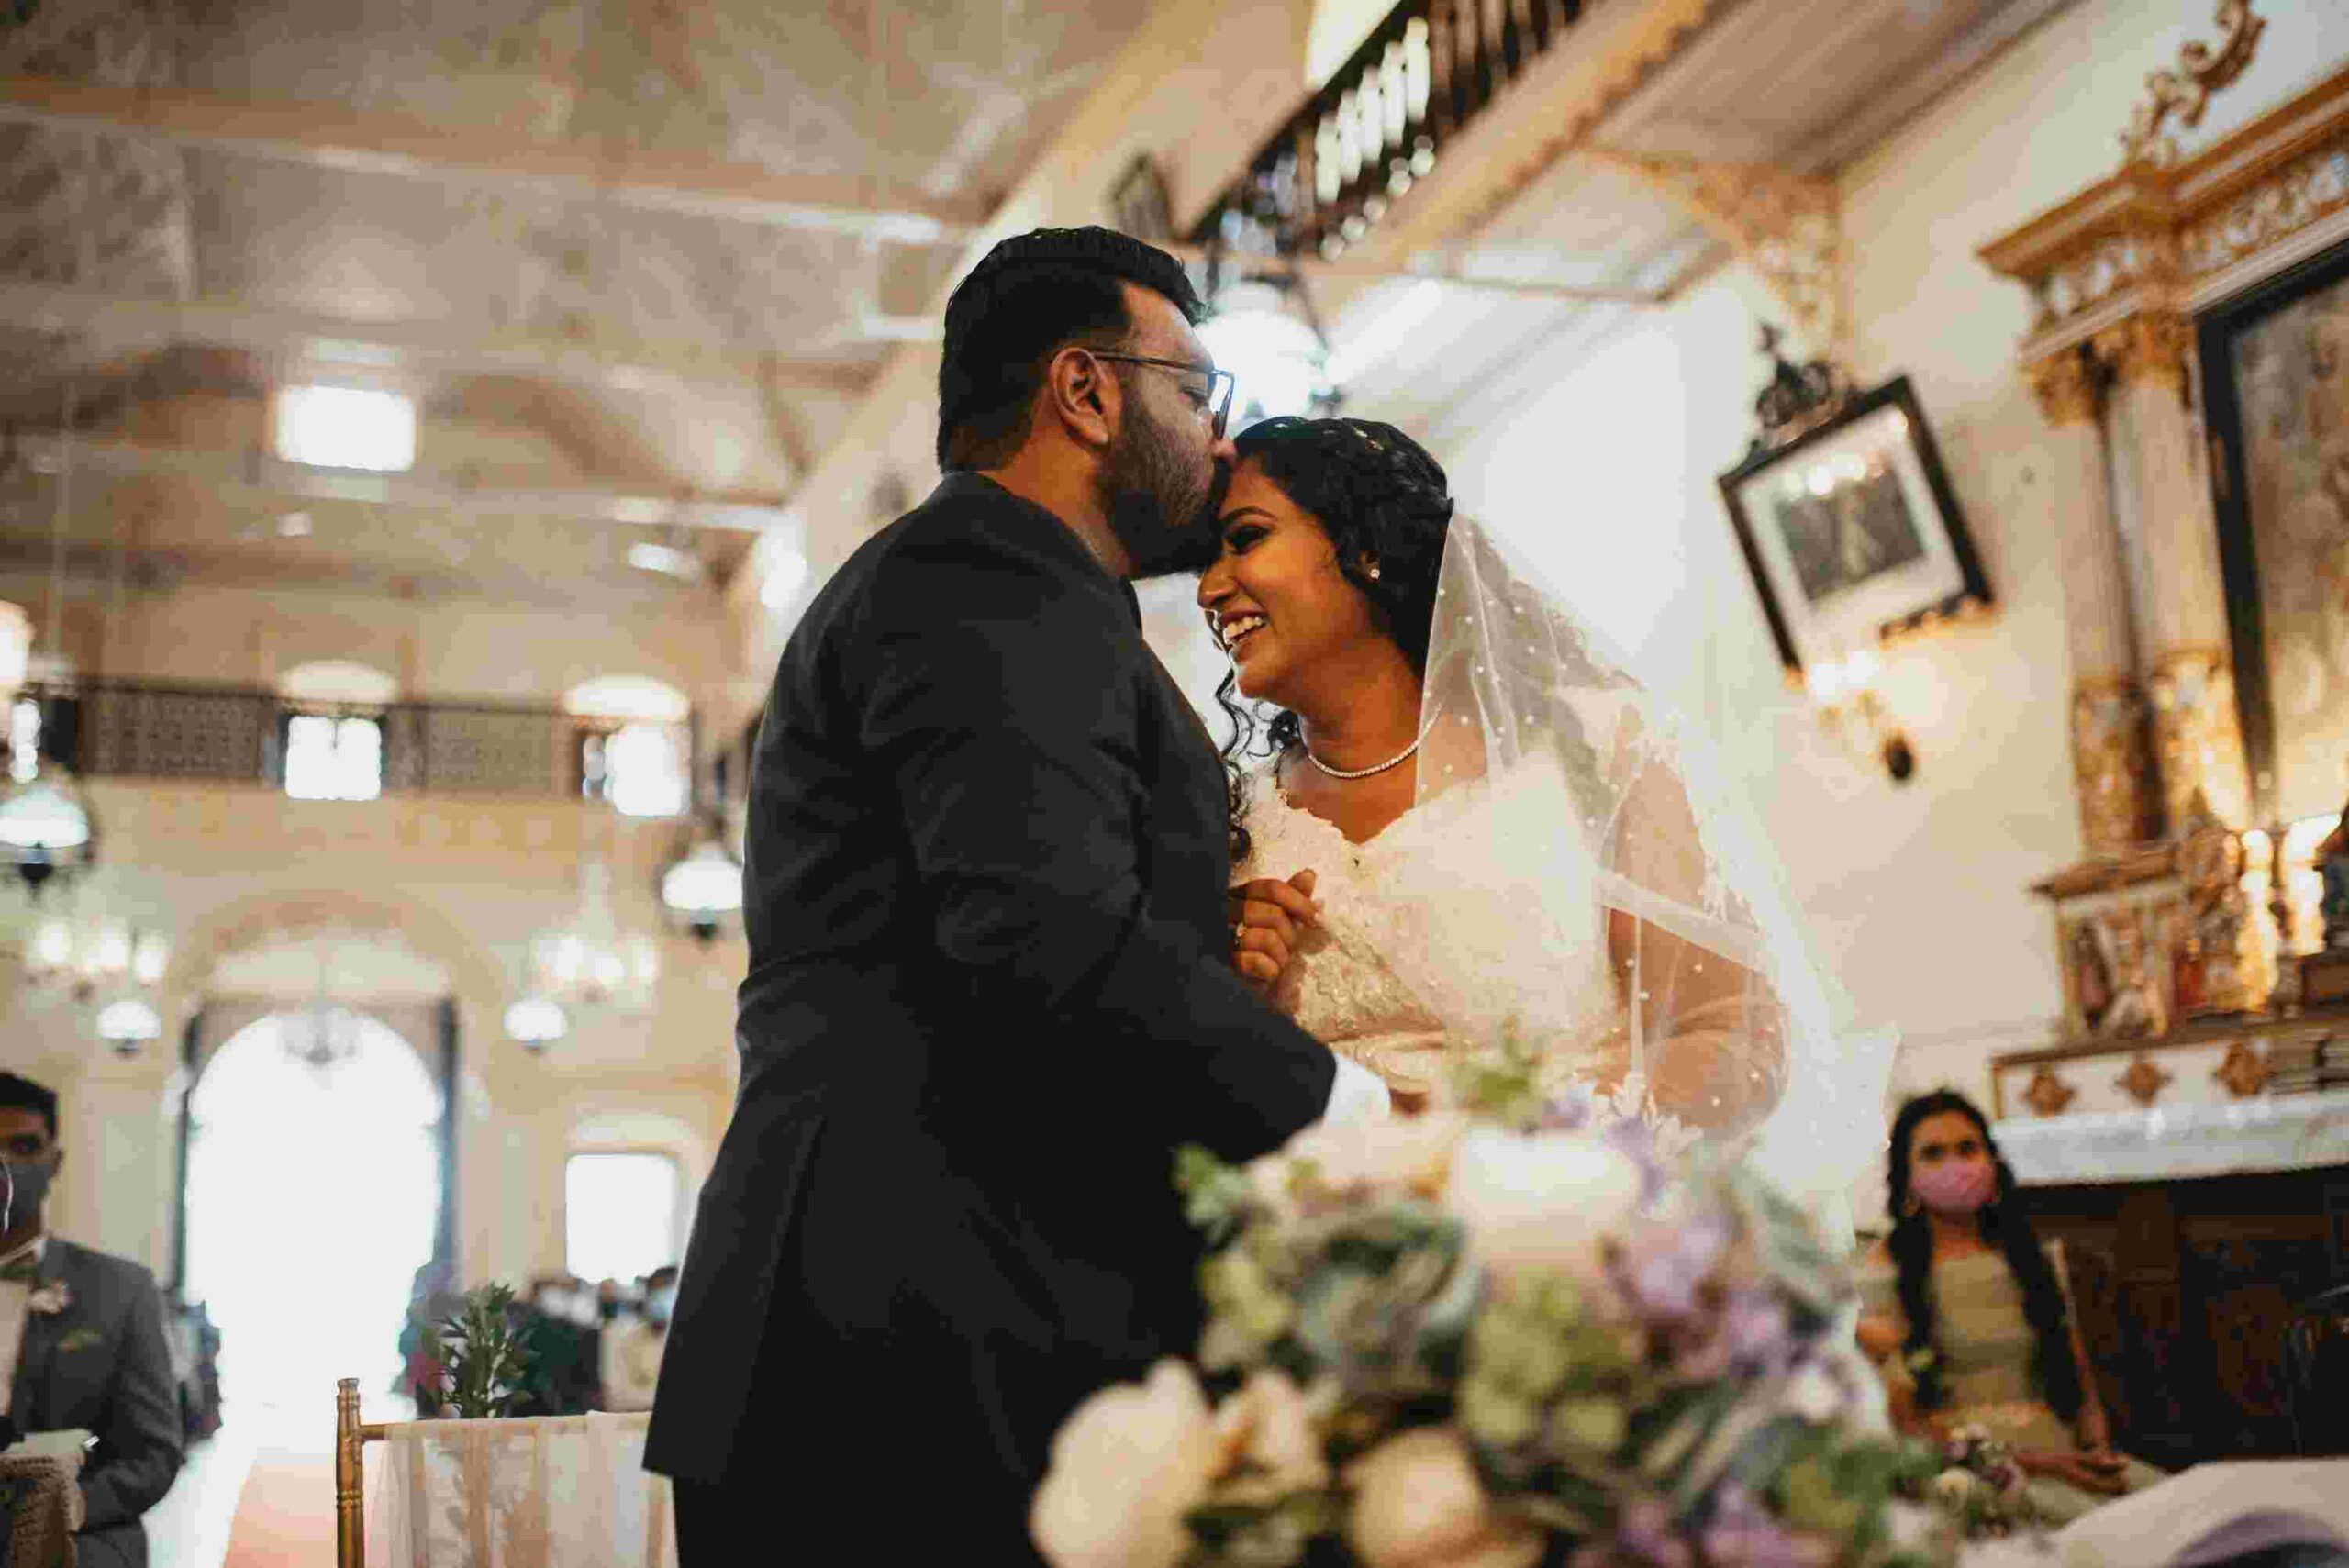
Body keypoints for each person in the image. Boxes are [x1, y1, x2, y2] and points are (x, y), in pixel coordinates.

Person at [644, 227, 1380, 1565]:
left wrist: (1204, 961)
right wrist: (1356, 1112)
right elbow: (1040, 936)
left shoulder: (1017, 596)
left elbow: (997, 914)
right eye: (1195, 393)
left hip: (920, 1328)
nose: (1218, 445)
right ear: (1087, 391)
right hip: (907, 1348)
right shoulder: (986, 579)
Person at [1196, 417, 1865, 1206]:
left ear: (1365, 546)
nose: (1211, 587)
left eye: (1245, 538)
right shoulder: (1236, 819)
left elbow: (1734, 1036)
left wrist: (1531, 1168)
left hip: (1586, 1239)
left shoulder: (1588, 749)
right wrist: (1229, 980)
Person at [1854, 1090, 2162, 1523]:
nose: (1955, 1165)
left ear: (1992, 1161)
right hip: (1973, 1471)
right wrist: (2040, 1464)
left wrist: (2094, 1448)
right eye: (1933, 1153)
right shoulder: (1885, 1270)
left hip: (2064, 1453)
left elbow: (2079, 1378)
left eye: (1967, 1148)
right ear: (1907, 1177)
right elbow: (1902, 1425)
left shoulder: (2029, 1257)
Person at [0, 1072, 183, 1568]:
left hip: (74, 1536)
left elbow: (153, 1453)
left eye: (23, 1146)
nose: (7, 1165)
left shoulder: (119, 1291)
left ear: (54, 1161)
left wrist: (71, 1505)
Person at [600, 1266, 675, 1413]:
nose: (662, 1301)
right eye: (657, 1293)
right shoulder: (622, 1337)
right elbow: (616, 1400)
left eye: (668, 1293)